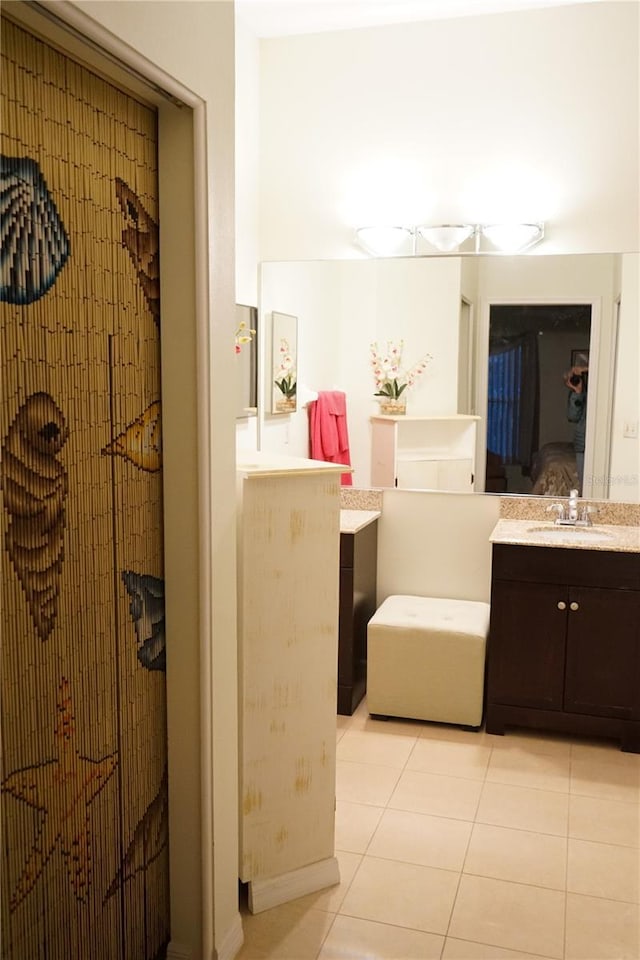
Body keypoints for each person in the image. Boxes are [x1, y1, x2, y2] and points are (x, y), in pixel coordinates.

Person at [564, 363, 588, 492]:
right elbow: (572, 416)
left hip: (596, 443)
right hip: (582, 443)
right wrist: (577, 392)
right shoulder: (577, 395)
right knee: (585, 486)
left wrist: (585, 369)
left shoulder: (599, 389)